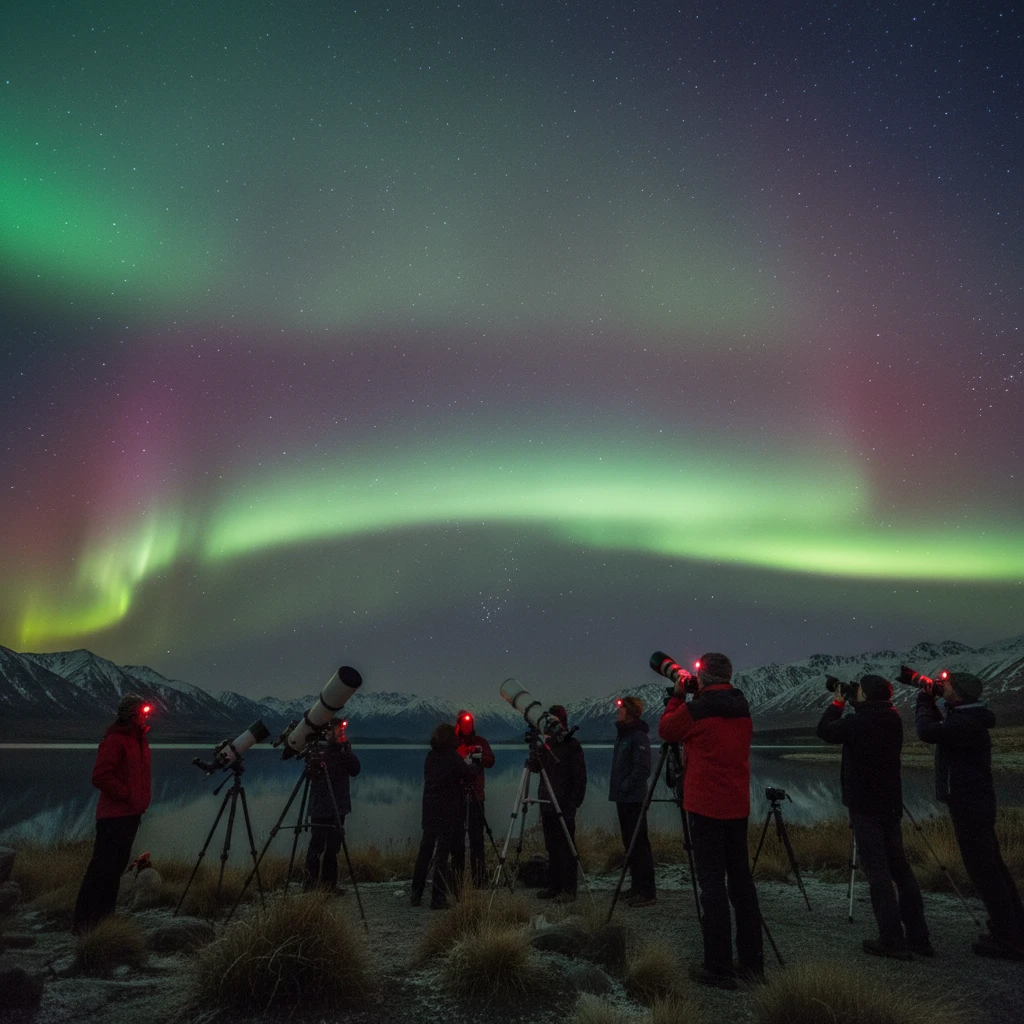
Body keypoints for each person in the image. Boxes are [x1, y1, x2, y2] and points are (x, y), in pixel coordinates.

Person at [658, 652, 762, 989]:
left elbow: (667, 730)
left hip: (705, 808)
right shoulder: (742, 705)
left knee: (713, 887)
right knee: (742, 885)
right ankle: (752, 964)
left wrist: (677, 697)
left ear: (702, 678)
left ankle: (718, 966)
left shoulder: (698, 709)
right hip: (737, 806)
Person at [817, 674, 932, 960]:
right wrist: (855, 700)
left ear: (866, 696)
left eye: (859, 691)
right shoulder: (892, 717)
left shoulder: (859, 722)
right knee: (900, 868)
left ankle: (891, 940)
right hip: (890, 804)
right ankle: (919, 937)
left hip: (865, 806)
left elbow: (825, 731)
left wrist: (838, 702)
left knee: (878, 872)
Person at [915, 670, 1024, 960]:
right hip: (976, 802)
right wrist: (935, 700)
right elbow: (940, 727)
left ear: (959, 693)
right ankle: (1013, 930)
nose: (941, 687)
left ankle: (1008, 938)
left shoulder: (965, 721)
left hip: (969, 803)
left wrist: (924, 700)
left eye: (946, 685)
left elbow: (927, 732)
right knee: (993, 867)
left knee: (984, 870)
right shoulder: (967, 716)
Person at [72, 693, 153, 934]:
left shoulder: (139, 740)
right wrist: (126, 794)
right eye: (142, 712)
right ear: (131, 714)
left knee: (115, 869)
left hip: (131, 814)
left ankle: (105, 918)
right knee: (101, 869)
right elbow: (101, 776)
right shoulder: (116, 740)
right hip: (114, 816)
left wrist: (137, 801)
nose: (145, 716)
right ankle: (84, 923)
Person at [411, 722, 475, 909]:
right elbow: (468, 776)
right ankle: (437, 898)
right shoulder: (453, 757)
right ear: (450, 738)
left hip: (429, 810)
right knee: (442, 855)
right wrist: (470, 764)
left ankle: (416, 893)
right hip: (447, 812)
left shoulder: (430, 756)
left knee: (425, 852)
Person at [534, 705, 587, 903]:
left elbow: (580, 776)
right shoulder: (546, 745)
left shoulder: (572, 745)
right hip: (547, 802)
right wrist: (534, 752)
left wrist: (574, 803)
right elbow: (535, 768)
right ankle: (554, 886)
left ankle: (569, 889)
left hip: (564, 803)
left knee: (566, 847)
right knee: (552, 846)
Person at [304, 717, 361, 893]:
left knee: (333, 848)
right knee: (317, 846)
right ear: (325, 732)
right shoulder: (317, 748)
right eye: (335, 730)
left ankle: (329, 886)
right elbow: (310, 773)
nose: (339, 733)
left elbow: (355, 770)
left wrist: (344, 749)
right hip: (321, 805)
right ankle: (310, 886)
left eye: (340, 730)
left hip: (339, 805)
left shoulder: (344, 748)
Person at [610, 696, 656, 907]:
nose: (618, 712)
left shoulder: (638, 736)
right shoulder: (624, 735)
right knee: (629, 843)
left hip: (633, 798)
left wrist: (626, 786)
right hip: (623, 798)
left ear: (629, 712)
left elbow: (643, 768)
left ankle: (647, 892)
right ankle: (636, 886)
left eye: (621, 709)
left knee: (639, 844)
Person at [454, 710, 495, 887]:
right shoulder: (453, 743)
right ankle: (456, 878)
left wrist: (479, 755)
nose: (467, 726)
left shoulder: (480, 742)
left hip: (476, 796)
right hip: (456, 797)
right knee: (456, 839)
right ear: (458, 725)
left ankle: (479, 879)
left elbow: (491, 761)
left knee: (477, 839)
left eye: (470, 723)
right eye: (464, 723)